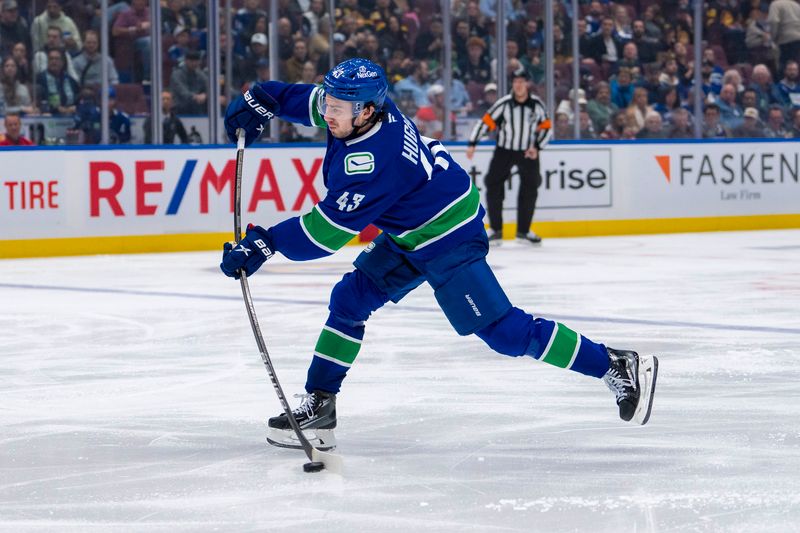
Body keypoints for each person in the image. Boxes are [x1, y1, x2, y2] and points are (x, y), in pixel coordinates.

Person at [220, 58, 659, 450]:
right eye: (330, 104)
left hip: (448, 236)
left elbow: (325, 233)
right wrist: (260, 100)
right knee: (349, 301)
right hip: (410, 228)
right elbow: (302, 99)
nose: (327, 113)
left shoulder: (374, 160)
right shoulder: (356, 109)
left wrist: (265, 243)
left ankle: (614, 364)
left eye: (336, 108)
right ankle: (320, 405)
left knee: (504, 333)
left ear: (367, 111)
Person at [465, 67, 550, 245]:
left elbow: (546, 127)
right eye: (515, 81)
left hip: (528, 151)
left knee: (530, 187)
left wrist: (536, 146)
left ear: (527, 84)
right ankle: (496, 230)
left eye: (521, 81)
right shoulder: (504, 104)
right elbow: (486, 123)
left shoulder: (536, 105)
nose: (518, 85)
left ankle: (523, 231)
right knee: (493, 183)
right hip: (504, 150)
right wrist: (473, 143)